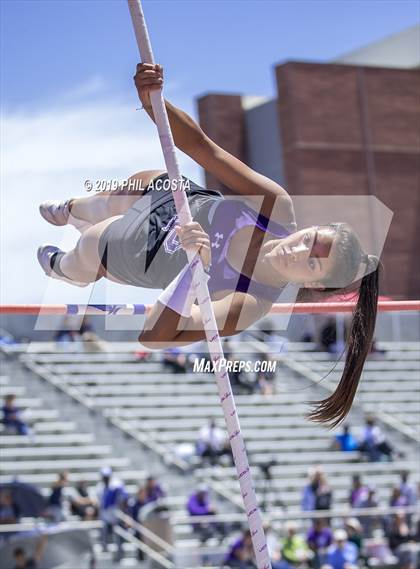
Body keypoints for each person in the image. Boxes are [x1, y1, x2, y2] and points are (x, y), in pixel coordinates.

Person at [37, 62, 381, 427]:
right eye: (308, 240)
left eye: (311, 264)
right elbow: (206, 150)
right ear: (309, 228)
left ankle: (67, 268)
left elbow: (155, 335)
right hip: (177, 202)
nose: (296, 250)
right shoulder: (276, 207)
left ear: (312, 284)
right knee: (134, 186)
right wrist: (155, 104)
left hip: (144, 255)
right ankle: (75, 209)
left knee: (92, 244)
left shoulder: (250, 303)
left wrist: (195, 269)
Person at [96, 467, 128, 557]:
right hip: (105, 514)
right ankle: (105, 549)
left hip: (115, 513)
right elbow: (100, 502)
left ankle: (120, 554)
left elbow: (124, 498)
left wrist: (123, 512)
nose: (105, 479)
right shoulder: (100, 487)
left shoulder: (116, 485)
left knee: (118, 534)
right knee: (104, 532)